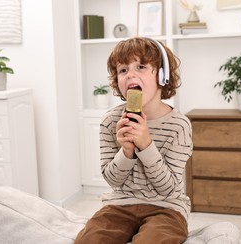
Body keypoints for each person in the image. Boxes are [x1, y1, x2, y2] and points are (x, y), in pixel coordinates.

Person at [75, 37, 193, 244]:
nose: (130, 74)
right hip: (120, 204)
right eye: (123, 70)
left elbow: (168, 189)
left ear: (163, 76)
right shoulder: (111, 121)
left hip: (167, 208)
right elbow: (113, 180)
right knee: (90, 240)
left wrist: (146, 145)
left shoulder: (179, 125)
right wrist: (126, 151)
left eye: (141, 66)